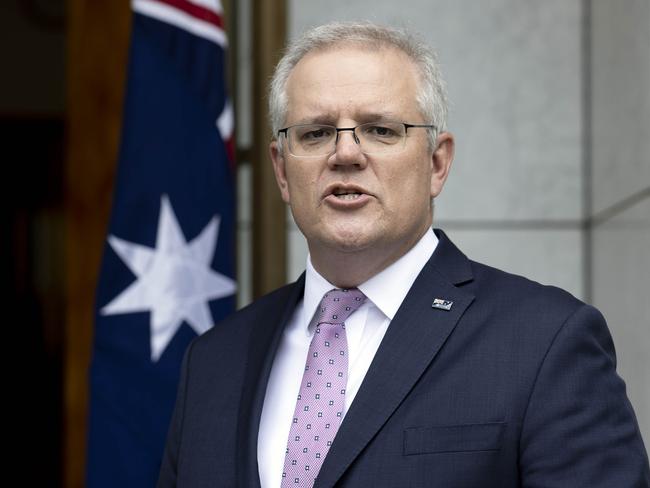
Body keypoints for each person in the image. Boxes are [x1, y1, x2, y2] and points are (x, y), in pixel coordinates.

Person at [157, 21, 649, 488]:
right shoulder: (212, 361)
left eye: (381, 130)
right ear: (283, 172)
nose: (345, 154)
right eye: (315, 133)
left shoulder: (545, 341)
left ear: (437, 164)